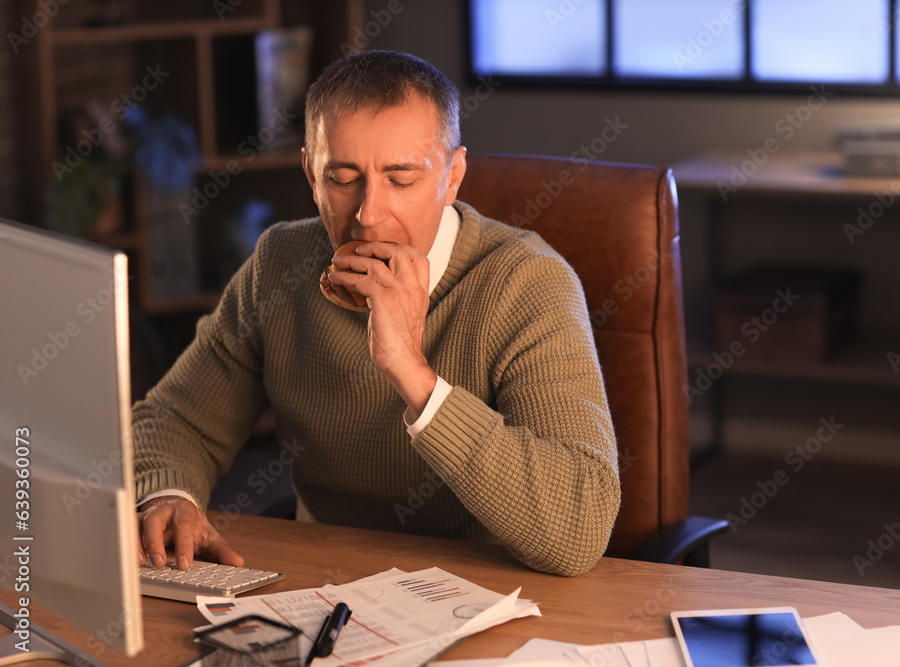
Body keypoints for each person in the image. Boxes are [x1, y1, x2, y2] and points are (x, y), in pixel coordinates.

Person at [133, 50, 620, 577]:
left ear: (452, 177)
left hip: (492, 590)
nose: (368, 215)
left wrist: (412, 372)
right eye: (342, 178)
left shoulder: (527, 283)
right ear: (309, 174)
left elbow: (579, 527)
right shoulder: (280, 264)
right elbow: (177, 418)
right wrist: (168, 492)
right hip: (325, 581)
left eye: (401, 179)